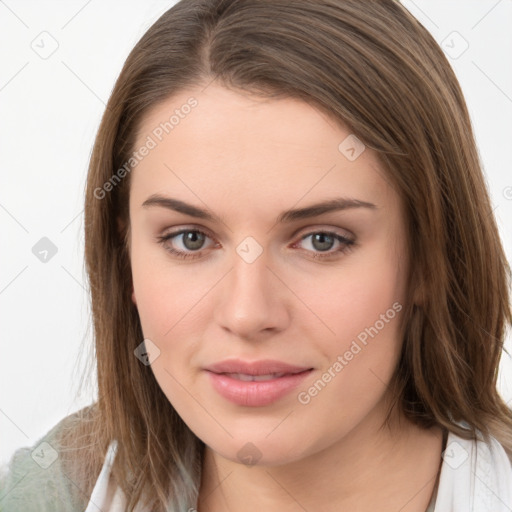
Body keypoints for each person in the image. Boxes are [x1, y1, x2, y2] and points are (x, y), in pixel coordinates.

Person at [1, 0, 511, 511]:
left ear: (428, 259)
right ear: (125, 256)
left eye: (322, 240)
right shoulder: (50, 492)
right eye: (190, 239)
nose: (247, 314)